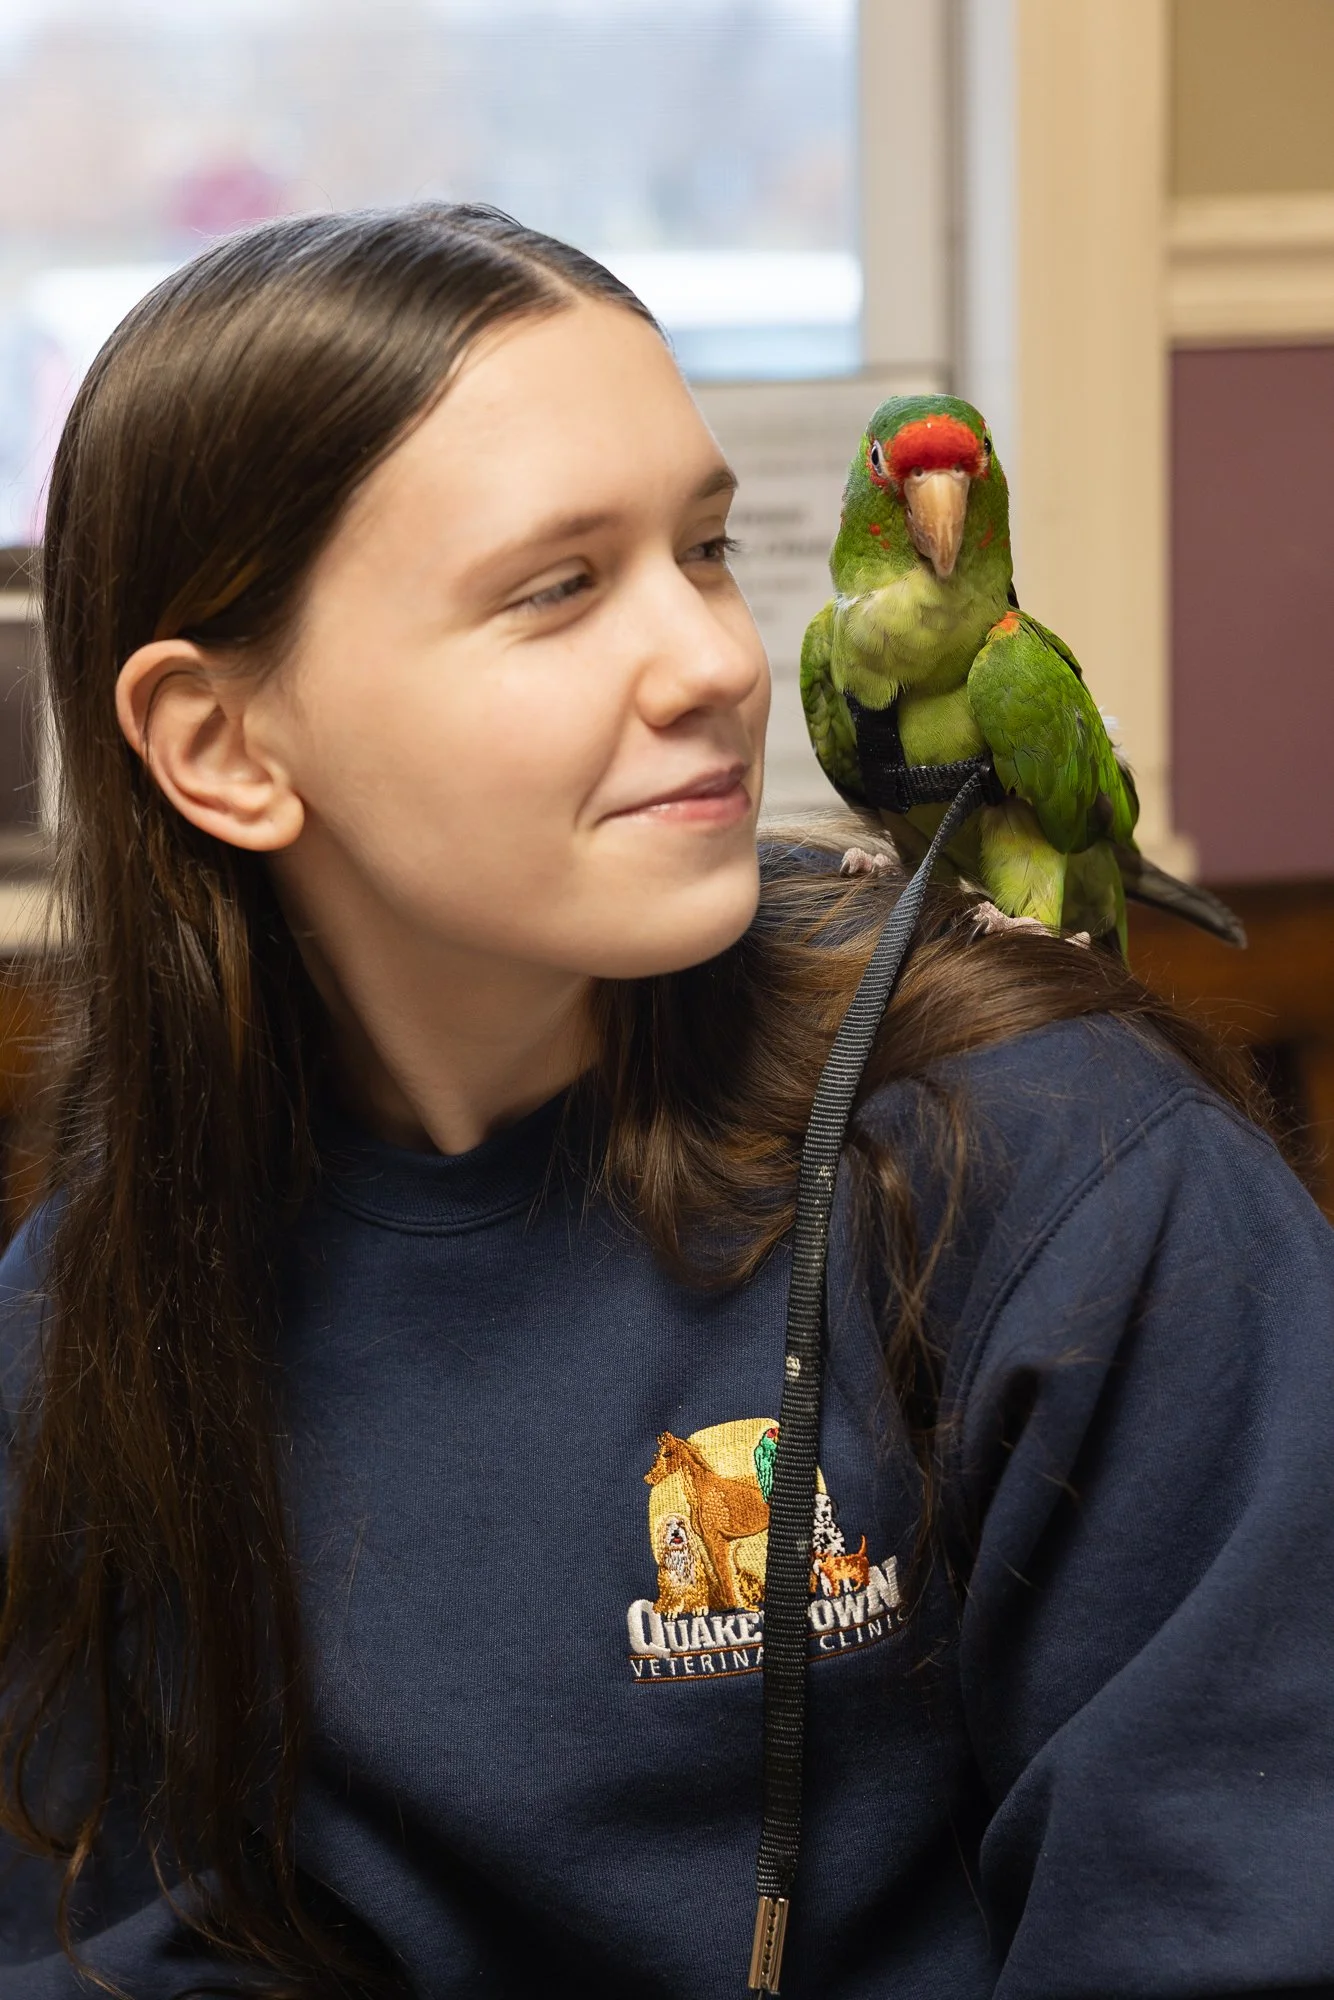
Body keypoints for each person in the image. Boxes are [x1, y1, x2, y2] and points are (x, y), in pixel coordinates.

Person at [0, 204, 1330, 2000]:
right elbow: (106, 1943)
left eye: (700, 549)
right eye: (556, 587)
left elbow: (1230, 1913)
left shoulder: (1073, 1180)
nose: (716, 660)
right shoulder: (86, 1314)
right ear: (224, 748)